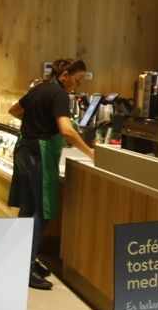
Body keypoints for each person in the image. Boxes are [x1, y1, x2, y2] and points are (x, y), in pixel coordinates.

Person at [7, 58, 96, 291]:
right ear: (65, 75)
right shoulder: (59, 95)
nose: (77, 86)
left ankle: (20, 261)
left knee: (27, 208)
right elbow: (67, 130)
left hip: (24, 149)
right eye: (76, 80)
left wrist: (35, 123)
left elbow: (14, 110)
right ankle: (25, 268)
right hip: (40, 154)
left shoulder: (38, 89)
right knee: (42, 212)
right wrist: (91, 153)